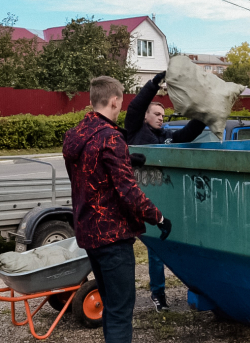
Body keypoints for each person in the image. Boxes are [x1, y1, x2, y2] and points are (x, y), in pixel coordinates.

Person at [63, 76, 172, 343]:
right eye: (121, 101)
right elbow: (128, 193)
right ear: (114, 100)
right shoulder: (111, 139)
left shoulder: (75, 135)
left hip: (89, 234)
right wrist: (158, 217)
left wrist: (126, 161)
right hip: (112, 237)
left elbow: (92, 175)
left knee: (111, 305)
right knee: (121, 310)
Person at [125, 71, 205, 312]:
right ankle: (158, 294)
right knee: (155, 251)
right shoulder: (136, 131)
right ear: (146, 116)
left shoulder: (167, 135)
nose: (161, 118)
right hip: (145, 199)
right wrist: (153, 84)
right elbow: (135, 109)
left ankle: (196, 285)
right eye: (156, 114)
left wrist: (203, 112)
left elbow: (189, 133)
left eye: (162, 114)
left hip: (170, 198)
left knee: (176, 245)